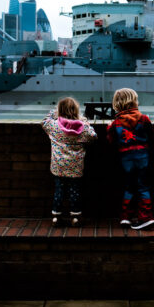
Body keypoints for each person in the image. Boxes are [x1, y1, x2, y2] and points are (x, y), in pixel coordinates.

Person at [42, 97, 97, 226]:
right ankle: (75, 217)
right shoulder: (82, 128)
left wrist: (53, 112)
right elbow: (93, 136)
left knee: (59, 191)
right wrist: (85, 122)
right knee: (74, 191)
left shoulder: (54, 126)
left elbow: (44, 121)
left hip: (58, 166)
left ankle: (56, 216)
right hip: (76, 166)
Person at [106, 88, 154, 230]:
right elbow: (151, 135)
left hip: (126, 160)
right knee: (143, 187)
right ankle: (146, 217)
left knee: (128, 188)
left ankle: (125, 218)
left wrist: (108, 129)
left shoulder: (116, 123)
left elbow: (111, 140)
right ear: (134, 101)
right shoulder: (144, 119)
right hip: (143, 158)